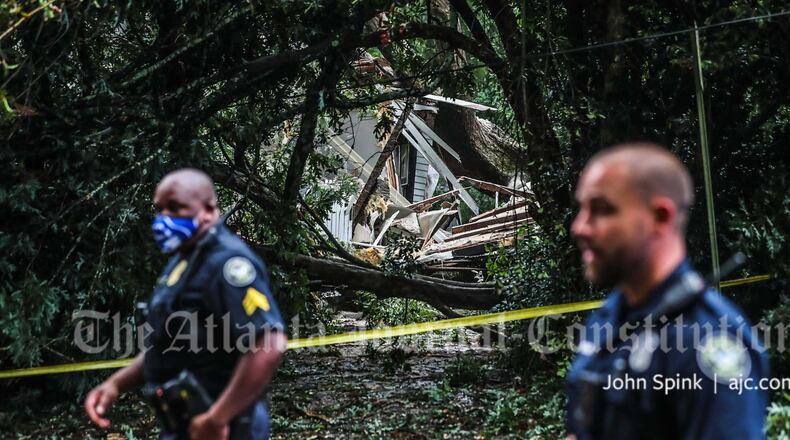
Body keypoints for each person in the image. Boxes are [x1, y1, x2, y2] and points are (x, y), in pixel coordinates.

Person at [565, 143, 768, 439]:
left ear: (661, 217)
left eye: (601, 210)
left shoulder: (709, 340)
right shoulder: (609, 316)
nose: (579, 227)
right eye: (581, 208)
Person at [85, 168, 288, 440]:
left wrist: (217, 418)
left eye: (176, 208)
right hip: (184, 423)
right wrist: (115, 384)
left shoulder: (228, 263)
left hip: (225, 427)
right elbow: (169, 344)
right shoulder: (184, 261)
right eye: (160, 209)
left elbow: (268, 345)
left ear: (208, 209)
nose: (164, 219)